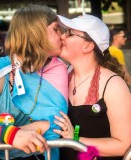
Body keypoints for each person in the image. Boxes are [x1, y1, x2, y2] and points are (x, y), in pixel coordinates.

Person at [0, 4, 68, 160]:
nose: (63, 36)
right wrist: (9, 135)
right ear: (36, 32)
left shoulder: (59, 68)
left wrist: (41, 126)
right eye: (56, 29)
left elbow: (56, 126)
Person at [53, 14, 131, 160]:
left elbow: (123, 145)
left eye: (69, 33)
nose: (62, 36)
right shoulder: (61, 73)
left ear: (87, 46)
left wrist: (75, 141)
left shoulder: (113, 85)